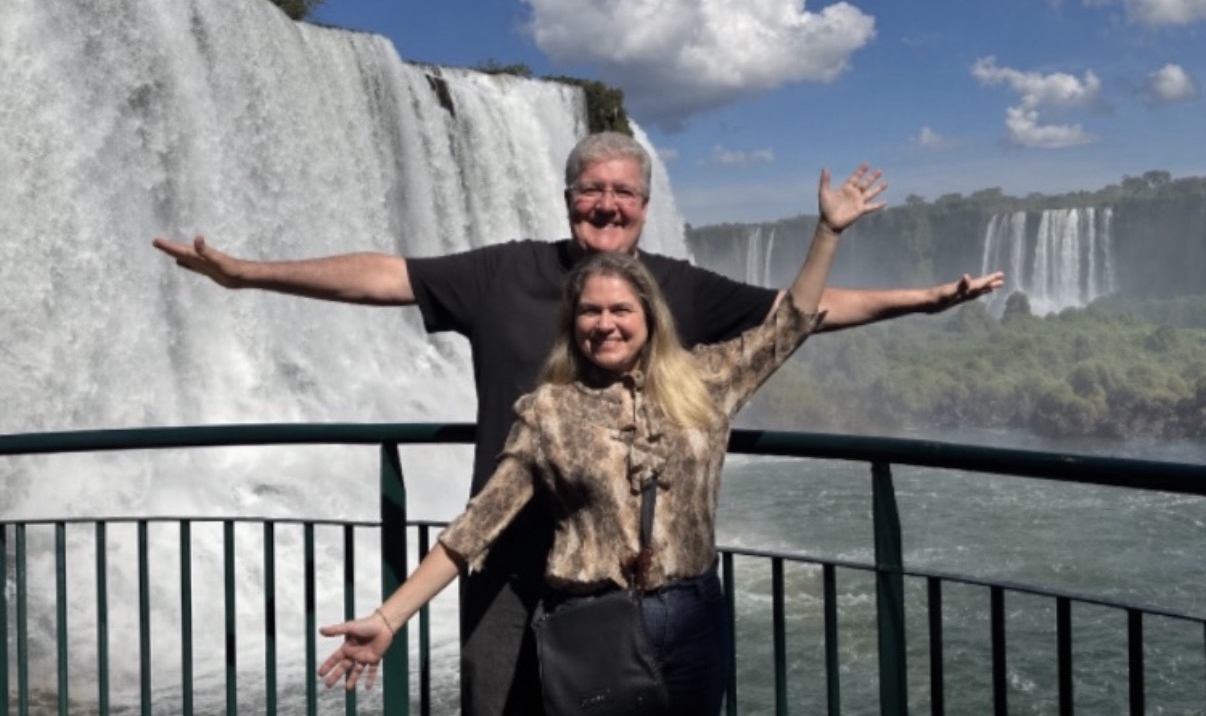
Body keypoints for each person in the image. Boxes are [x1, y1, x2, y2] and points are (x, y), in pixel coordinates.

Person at [153, 132, 1003, 716]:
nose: (606, 203)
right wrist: (248, 275)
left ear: (643, 218)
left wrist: (923, 298)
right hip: (513, 568)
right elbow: (384, 276)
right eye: (591, 189)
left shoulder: (688, 313)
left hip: (655, 593)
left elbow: (794, 316)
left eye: (623, 192)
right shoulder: (513, 305)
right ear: (569, 202)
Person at [315, 164, 885, 713]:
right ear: (572, 324)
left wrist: (827, 233)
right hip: (594, 626)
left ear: (648, 316)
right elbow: (474, 528)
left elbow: (789, 324)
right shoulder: (550, 413)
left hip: (694, 615)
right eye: (589, 311)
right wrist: (389, 618)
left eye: (620, 309)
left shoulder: (705, 379)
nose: (605, 323)